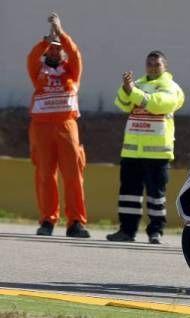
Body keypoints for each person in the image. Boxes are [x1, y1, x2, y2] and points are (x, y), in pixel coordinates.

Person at [106, 50, 185, 244]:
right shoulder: (138, 84)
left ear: (165, 67)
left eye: (157, 64)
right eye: (149, 64)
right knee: (128, 195)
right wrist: (126, 89)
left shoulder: (170, 87)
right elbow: (122, 104)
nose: (152, 67)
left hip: (158, 153)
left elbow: (158, 105)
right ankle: (126, 231)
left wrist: (132, 92)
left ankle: (155, 232)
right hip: (132, 151)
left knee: (155, 196)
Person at [27, 12, 90, 238]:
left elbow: (75, 54)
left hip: (66, 126)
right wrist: (46, 39)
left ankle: (76, 222)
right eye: (50, 48)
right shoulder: (38, 72)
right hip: (41, 127)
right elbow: (31, 57)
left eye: (57, 48)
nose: (54, 51)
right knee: (45, 175)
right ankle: (47, 220)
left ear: (62, 52)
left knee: (73, 175)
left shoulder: (72, 71)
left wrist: (61, 33)